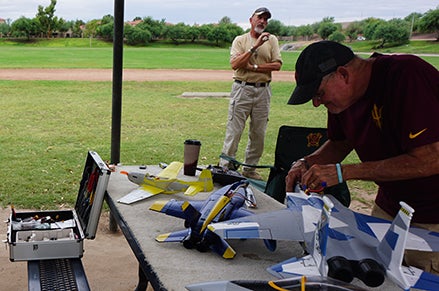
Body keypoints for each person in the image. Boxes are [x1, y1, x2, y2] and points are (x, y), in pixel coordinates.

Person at [285, 40, 439, 274]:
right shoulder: (343, 100)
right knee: (380, 277)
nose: (317, 103)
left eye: (319, 93)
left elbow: (430, 159)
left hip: (432, 220)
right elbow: (339, 143)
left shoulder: (407, 76)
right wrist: (307, 162)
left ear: (343, 74)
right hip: (389, 208)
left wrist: (344, 172)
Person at [219, 7, 283, 180]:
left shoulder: (272, 40)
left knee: (259, 133)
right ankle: (226, 167)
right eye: (259, 18)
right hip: (242, 89)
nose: (262, 21)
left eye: (265, 19)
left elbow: (277, 65)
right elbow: (235, 64)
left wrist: (254, 66)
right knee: (234, 130)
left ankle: (249, 169)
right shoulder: (240, 40)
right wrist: (255, 47)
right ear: (251, 20)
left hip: (263, 90)